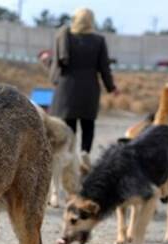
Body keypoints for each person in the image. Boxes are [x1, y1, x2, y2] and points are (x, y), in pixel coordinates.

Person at [49, 8, 116, 166]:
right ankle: (85, 152)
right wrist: (111, 87)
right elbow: (104, 68)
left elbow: (58, 64)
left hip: (67, 89)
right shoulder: (99, 40)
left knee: (69, 126)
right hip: (89, 89)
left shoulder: (65, 37)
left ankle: (70, 157)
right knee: (88, 124)